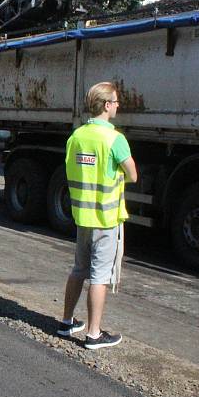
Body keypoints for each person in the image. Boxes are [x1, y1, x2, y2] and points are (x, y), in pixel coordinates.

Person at [58, 81, 138, 350]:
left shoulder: (77, 136)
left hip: (83, 216)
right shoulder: (115, 139)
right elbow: (133, 174)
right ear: (106, 105)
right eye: (115, 102)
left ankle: (67, 321)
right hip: (106, 218)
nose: (117, 106)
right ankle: (93, 334)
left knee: (79, 269)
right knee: (100, 275)